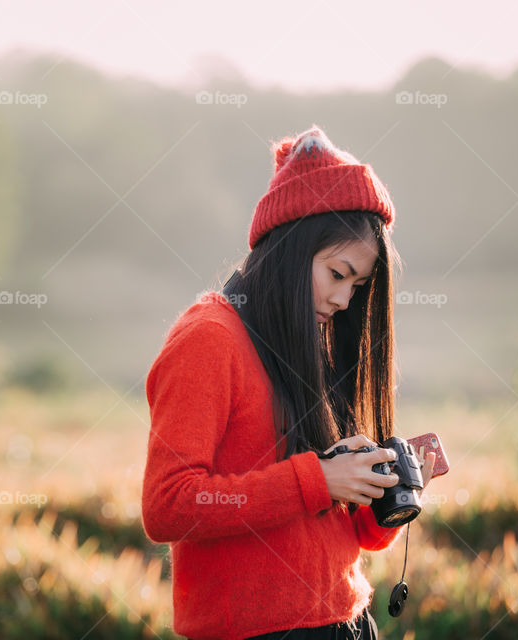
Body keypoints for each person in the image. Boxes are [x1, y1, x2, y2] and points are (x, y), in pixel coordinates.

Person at [141, 124, 436, 640]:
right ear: (293, 250)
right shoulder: (208, 338)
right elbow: (168, 505)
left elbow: (330, 532)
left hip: (346, 623)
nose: (345, 300)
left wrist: (385, 497)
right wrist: (316, 479)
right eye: (337, 273)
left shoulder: (305, 339)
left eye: (358, 285)